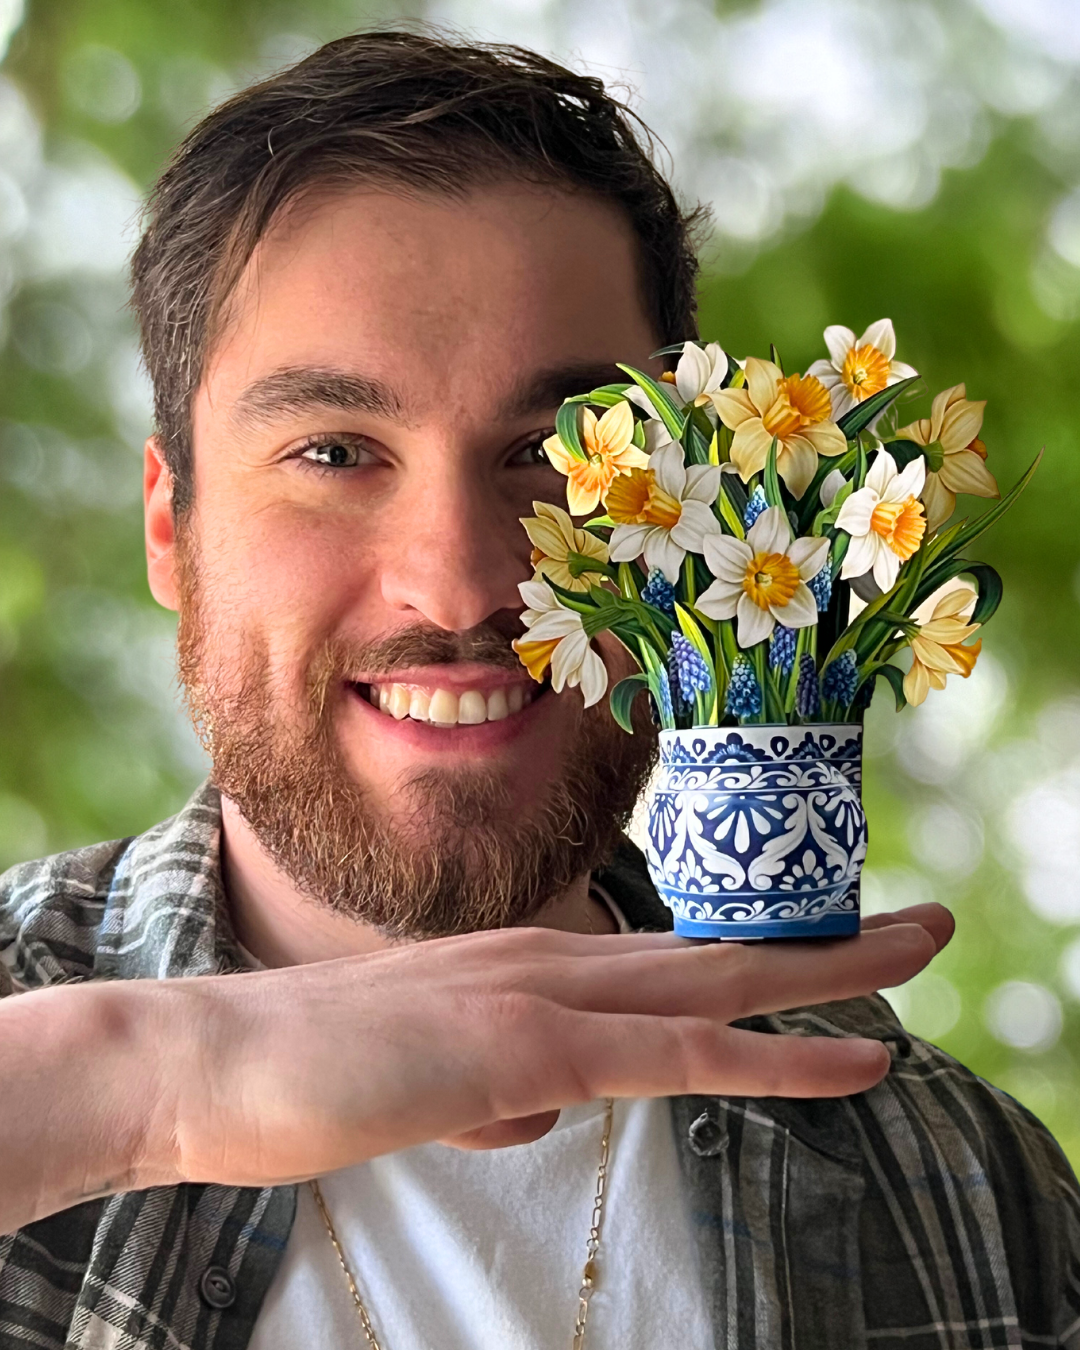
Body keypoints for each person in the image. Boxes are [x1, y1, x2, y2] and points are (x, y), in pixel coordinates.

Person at [0, 28, 1077, 1350]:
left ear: (693, 518)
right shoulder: (29, 1064)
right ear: (171, 527)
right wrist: (139, 1092)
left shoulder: (974, 1192)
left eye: (558, 454)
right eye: (335, 451)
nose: (457, 584)